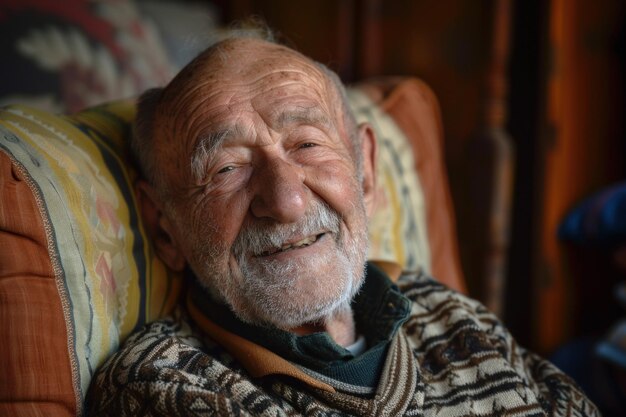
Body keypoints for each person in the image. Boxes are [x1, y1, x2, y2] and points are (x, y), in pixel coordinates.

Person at [86, 34, 600, 416]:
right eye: (226, 169)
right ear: (165, 229)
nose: (285, 201)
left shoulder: (449, 312)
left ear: (367, 171)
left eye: (307, 144)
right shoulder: (163, 386)